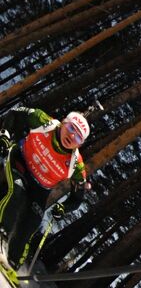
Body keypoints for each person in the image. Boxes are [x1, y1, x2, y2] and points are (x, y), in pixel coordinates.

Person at [0, 107, 91, 274]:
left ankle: (13, 262)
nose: (71, 136)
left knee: (33, 221)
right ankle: (1, 235)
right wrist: (5, 133)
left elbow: (78, 197)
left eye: (78, 136)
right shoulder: (43, 121)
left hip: (40, 188)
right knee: (17, 191)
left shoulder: (76, 165)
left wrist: (64, 208)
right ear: (63, 123)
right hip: (20, 161)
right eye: (71, 128)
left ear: (80, 143)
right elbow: (14, 113)